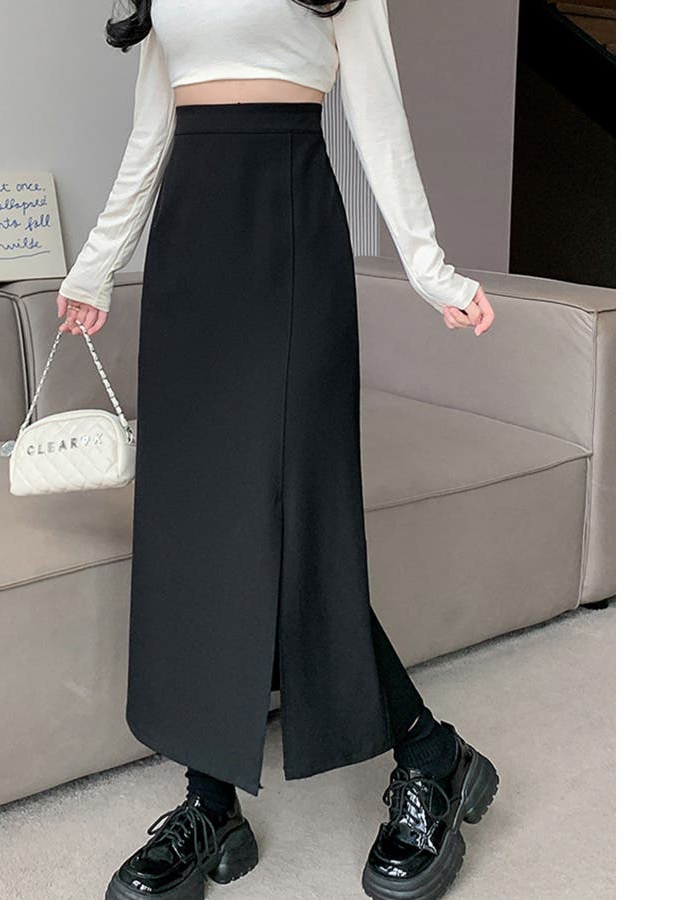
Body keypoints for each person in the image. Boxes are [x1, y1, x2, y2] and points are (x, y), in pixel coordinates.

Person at [56, 3, 499, 899]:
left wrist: (430, 269)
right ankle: (209, 803)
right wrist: (97, 263)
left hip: (288, 233)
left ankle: (431, 754)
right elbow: (152, 129)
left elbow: (378, 115)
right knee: (195, 530)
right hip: (191, 246)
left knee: (294, 531)